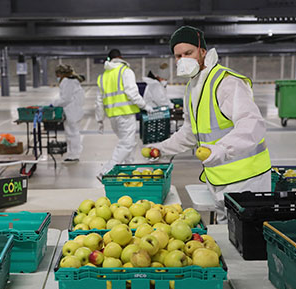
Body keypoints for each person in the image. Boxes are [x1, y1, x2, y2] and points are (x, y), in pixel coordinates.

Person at [149, 26, 271, 224]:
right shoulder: (192, 86)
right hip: (217, 177)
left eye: (188, 53)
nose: (183, 60)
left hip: (246, 179)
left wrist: (222, 149)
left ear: (203, 51)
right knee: (226, 236)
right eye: (178, 56)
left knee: (243, 240)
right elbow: (190, 132)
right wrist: (160, 149)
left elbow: (252, 124)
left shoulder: (226, 82)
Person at [96, 49, 153, 177]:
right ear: (121, 57)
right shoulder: (125, 71)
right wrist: (145, 106)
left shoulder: (103, 76)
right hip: (126, 114)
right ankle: (106, 171)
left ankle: (129, 170)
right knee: (127, 143)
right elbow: (132, 92)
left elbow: (98, 101)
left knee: (128, 143)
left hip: (113, 117)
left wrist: (100, 119)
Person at [53, 64, 85, 162]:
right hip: (73, 110)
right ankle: (72, 153)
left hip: (72, 110)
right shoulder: (72, 81)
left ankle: (74, 154)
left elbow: (65, 99)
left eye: (57, 75)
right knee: (71, 132)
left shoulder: (67, 82)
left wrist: (53, 103)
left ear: (61, 74)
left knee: (72, 133)